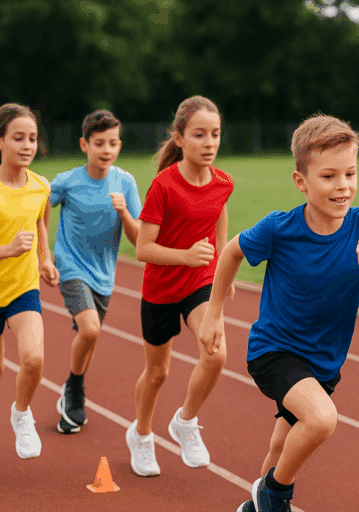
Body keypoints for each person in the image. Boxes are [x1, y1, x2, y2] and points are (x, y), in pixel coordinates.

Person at [200, 114, 359, 512]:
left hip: (323, 363)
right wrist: (213, 312)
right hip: (274, 351)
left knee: (281, 445)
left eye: (350, 174)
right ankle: (275, 496)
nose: (343, 186)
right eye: (329, 177)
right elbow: (231, 251)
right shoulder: (280, 228)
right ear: (301, 182)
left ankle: (256, 505)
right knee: (322, 420)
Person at [126, 96, 234, 477]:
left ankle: (185, 421)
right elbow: (143, 249)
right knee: (157, 374)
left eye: (215, 134)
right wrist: (185, 255)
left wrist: (220, 267)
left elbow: (219, 215)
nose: (209, 143)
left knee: (216, 353)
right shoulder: (164, 185)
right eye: (199, 135)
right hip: (160, 288)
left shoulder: (223, 182)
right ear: (179, 138)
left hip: (199, 284)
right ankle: (140, 435)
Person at [0, 103, 60, 467]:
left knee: (34, 359)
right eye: (18, 138)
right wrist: (8, 249)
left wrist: (45, 260)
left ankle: (21, 414)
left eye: (32, 138)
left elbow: (40, 224)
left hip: (23, 288)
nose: (27, 145)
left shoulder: (40, 186)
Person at [50, 110, 142, 434]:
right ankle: (74, 389)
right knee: (89, 330)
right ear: (84, 145)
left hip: (104, 274)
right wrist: (43, 256)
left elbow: (138, 239)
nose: (107, 149)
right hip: (71, 265)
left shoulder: (125, 182)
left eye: (113, 143)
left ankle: (73, 390)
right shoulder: (67, 182)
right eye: (99, 143)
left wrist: (126, 212)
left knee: (88, 338)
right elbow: (34, 208)